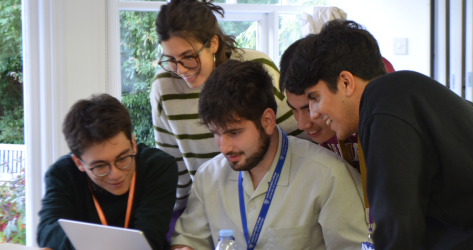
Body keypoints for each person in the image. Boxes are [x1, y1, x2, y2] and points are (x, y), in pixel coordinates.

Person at [283, 19, 473, 250]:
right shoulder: (402, 91)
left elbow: (397, 226)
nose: (314, 113)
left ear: (346, 82)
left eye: (315, 98)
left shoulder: (385, 103)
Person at [170, 60, 367, 250]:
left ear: (267, 121)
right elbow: (188, 238)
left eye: (234, 132)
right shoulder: (208, 177)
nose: (224, 148)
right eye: (216, 133)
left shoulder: (329, 176)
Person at [151, 0, 302, 217]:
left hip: (278, 199)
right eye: (171, 59)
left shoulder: (255, 66)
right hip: (213, 207)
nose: (180, 70)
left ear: (213, 43)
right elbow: (175, 173)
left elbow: (299, 139)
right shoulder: (163, 88)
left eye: (188, 57)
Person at [37, 94, 178, 250]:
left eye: (123, 158)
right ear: (79, 163)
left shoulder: (158, 167)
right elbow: (48, 231)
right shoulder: (62, 173)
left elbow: (149, 240)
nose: (115, 174)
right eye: (100, 166)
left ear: (132, 143)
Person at [280, 37, 396, 171]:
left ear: (344, 84)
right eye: (293, 109)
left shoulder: (385, 114)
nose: (302, 124)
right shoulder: (326, 133)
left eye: (315, 99)